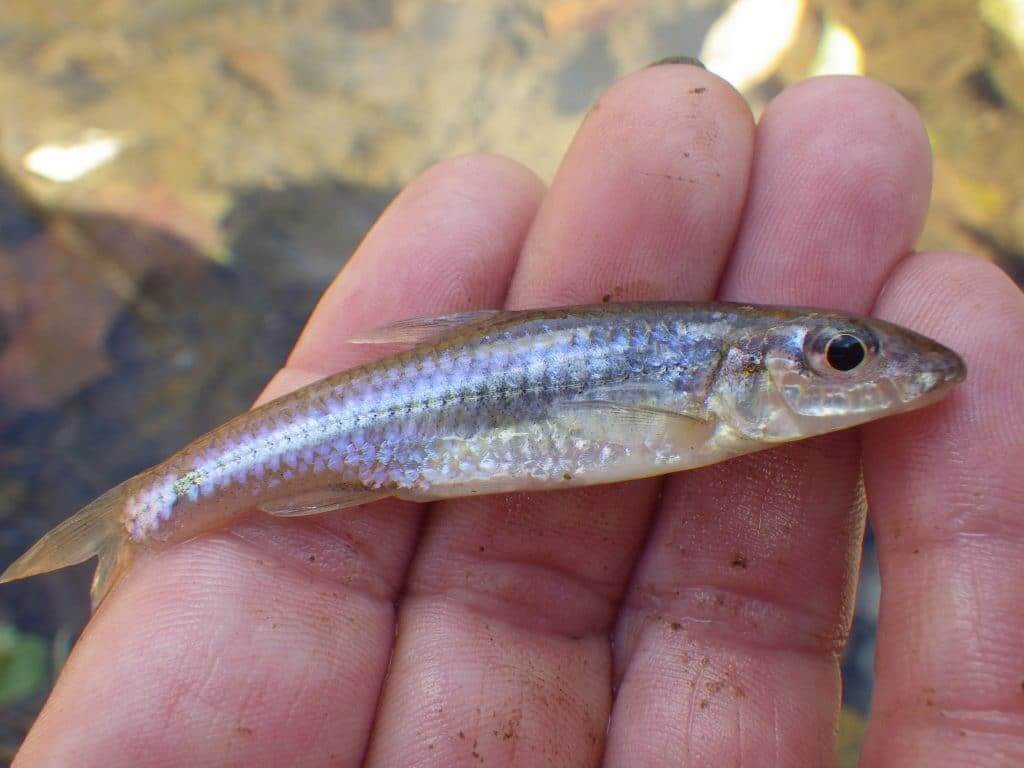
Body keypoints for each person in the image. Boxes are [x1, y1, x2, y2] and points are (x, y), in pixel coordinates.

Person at [13, 62, 1024, 767]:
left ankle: (138, 518)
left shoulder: (721, 410)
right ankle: (138, 515)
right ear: (750, 366)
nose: (860, 372)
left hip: (429, 445)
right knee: (196, 502)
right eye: (842, 357)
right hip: (406, 438)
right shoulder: (706, 394)